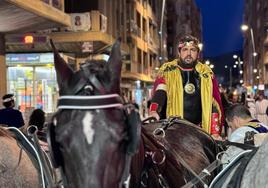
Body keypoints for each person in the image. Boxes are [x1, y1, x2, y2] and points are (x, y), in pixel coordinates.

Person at [149, 35, 224, 138]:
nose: (188, 54)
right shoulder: (168, 70)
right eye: (185, 50)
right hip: (172, 130)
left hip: (199, 131)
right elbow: (160, 92)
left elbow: (213, 104)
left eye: (193, 50)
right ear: (179, 52)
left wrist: (214, 132)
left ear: (198, 53)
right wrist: (154, 111)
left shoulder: (206, 73)